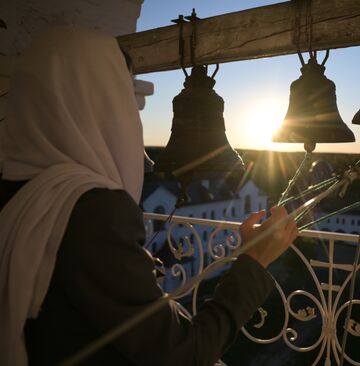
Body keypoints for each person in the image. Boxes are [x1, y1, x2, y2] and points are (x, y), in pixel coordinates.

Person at [0, 26, 298, 366]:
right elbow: (183, 354)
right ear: (100, 101)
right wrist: (255, 260)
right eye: (126, 98)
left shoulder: (18, 190)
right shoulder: (92, 210)